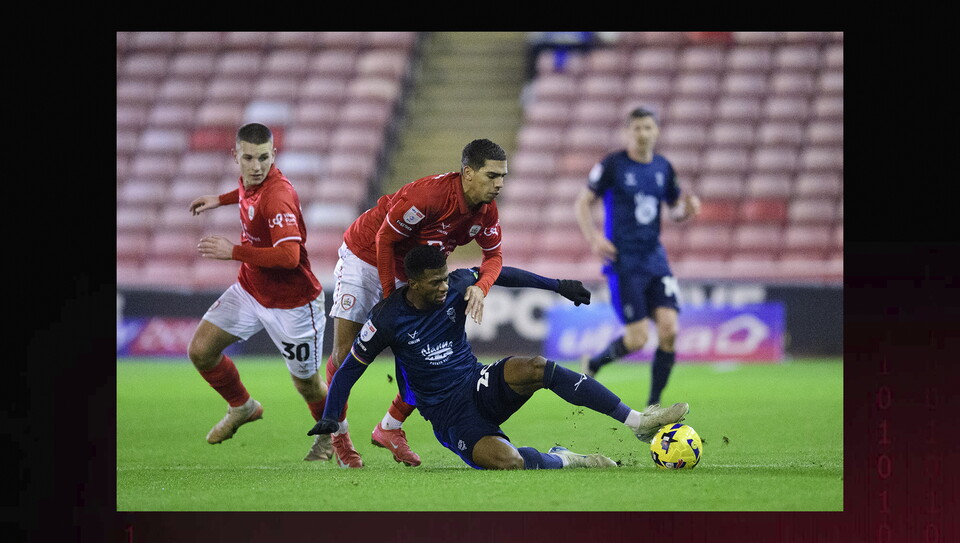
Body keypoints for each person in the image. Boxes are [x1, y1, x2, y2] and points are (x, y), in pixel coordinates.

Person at [308, 245, 690, 470]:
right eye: (435, 282)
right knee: (509, 462)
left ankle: (638, 421)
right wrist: (332, 416)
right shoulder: (387, 318)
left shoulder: (456, 285)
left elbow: (501, 274)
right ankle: (567, 458)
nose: (444, 286)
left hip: (476, 382)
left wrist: (557, 285)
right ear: (415, 283)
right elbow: (349, 370)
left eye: (445, 278)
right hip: (447, 415)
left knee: (536, 366)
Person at [325, 139, 511, 468]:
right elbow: (385, 238)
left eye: (503, 177)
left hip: (411, 273)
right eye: (492, 176)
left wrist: (482, 287)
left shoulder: (486, 211)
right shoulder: (429, 197)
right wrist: (389, 299)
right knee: (344, 355)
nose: (499, 184)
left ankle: (389, 427)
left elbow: (493, 256)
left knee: (428, 362)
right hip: (365, 255)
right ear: (468, 173)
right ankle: (339, 437)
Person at [186, 122, 332, 462]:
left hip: (294, 304)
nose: (256, 166)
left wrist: (234, 251)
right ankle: (243, 407)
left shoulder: (277, 196)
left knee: (307, 384)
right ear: (235, 156)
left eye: (264, 158)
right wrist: (219, 200)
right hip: (250, 290)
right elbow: (245, 194)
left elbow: (289, 257)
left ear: (274, 155)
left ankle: (330, 438)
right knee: (201, 351)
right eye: (249, 158)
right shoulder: (249, 181)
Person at [573, 106, 701, 407]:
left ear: (656, 132)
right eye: (637, 128)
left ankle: (653, 405)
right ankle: (595, 363)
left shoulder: (663, 167)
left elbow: (674, 209)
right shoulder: (613, 165)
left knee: (670, 330)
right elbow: (583, 202)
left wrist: (686, 210)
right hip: (624, 263)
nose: (643, 134)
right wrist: (594, 238)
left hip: (656, 259)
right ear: (627, 132)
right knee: (637, 339)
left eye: (648, 128)